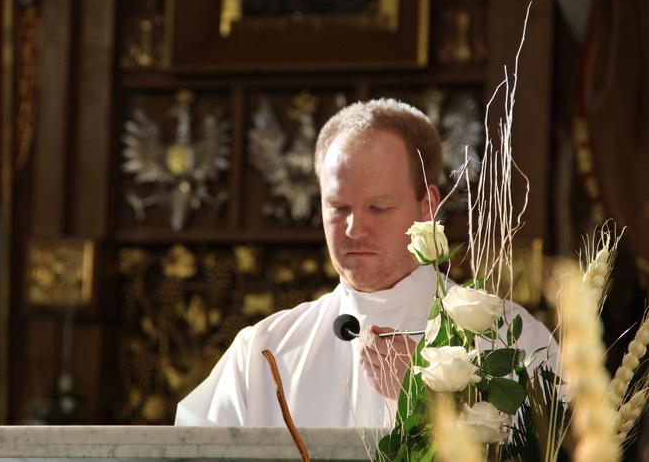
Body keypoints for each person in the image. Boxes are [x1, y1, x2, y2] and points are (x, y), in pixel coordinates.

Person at [174, 98, 557, 428]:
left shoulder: (510, 341)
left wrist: (431, 404)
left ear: (428, 206)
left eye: (379, 207)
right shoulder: (263, 352)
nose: (355, 229)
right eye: (338, 207)